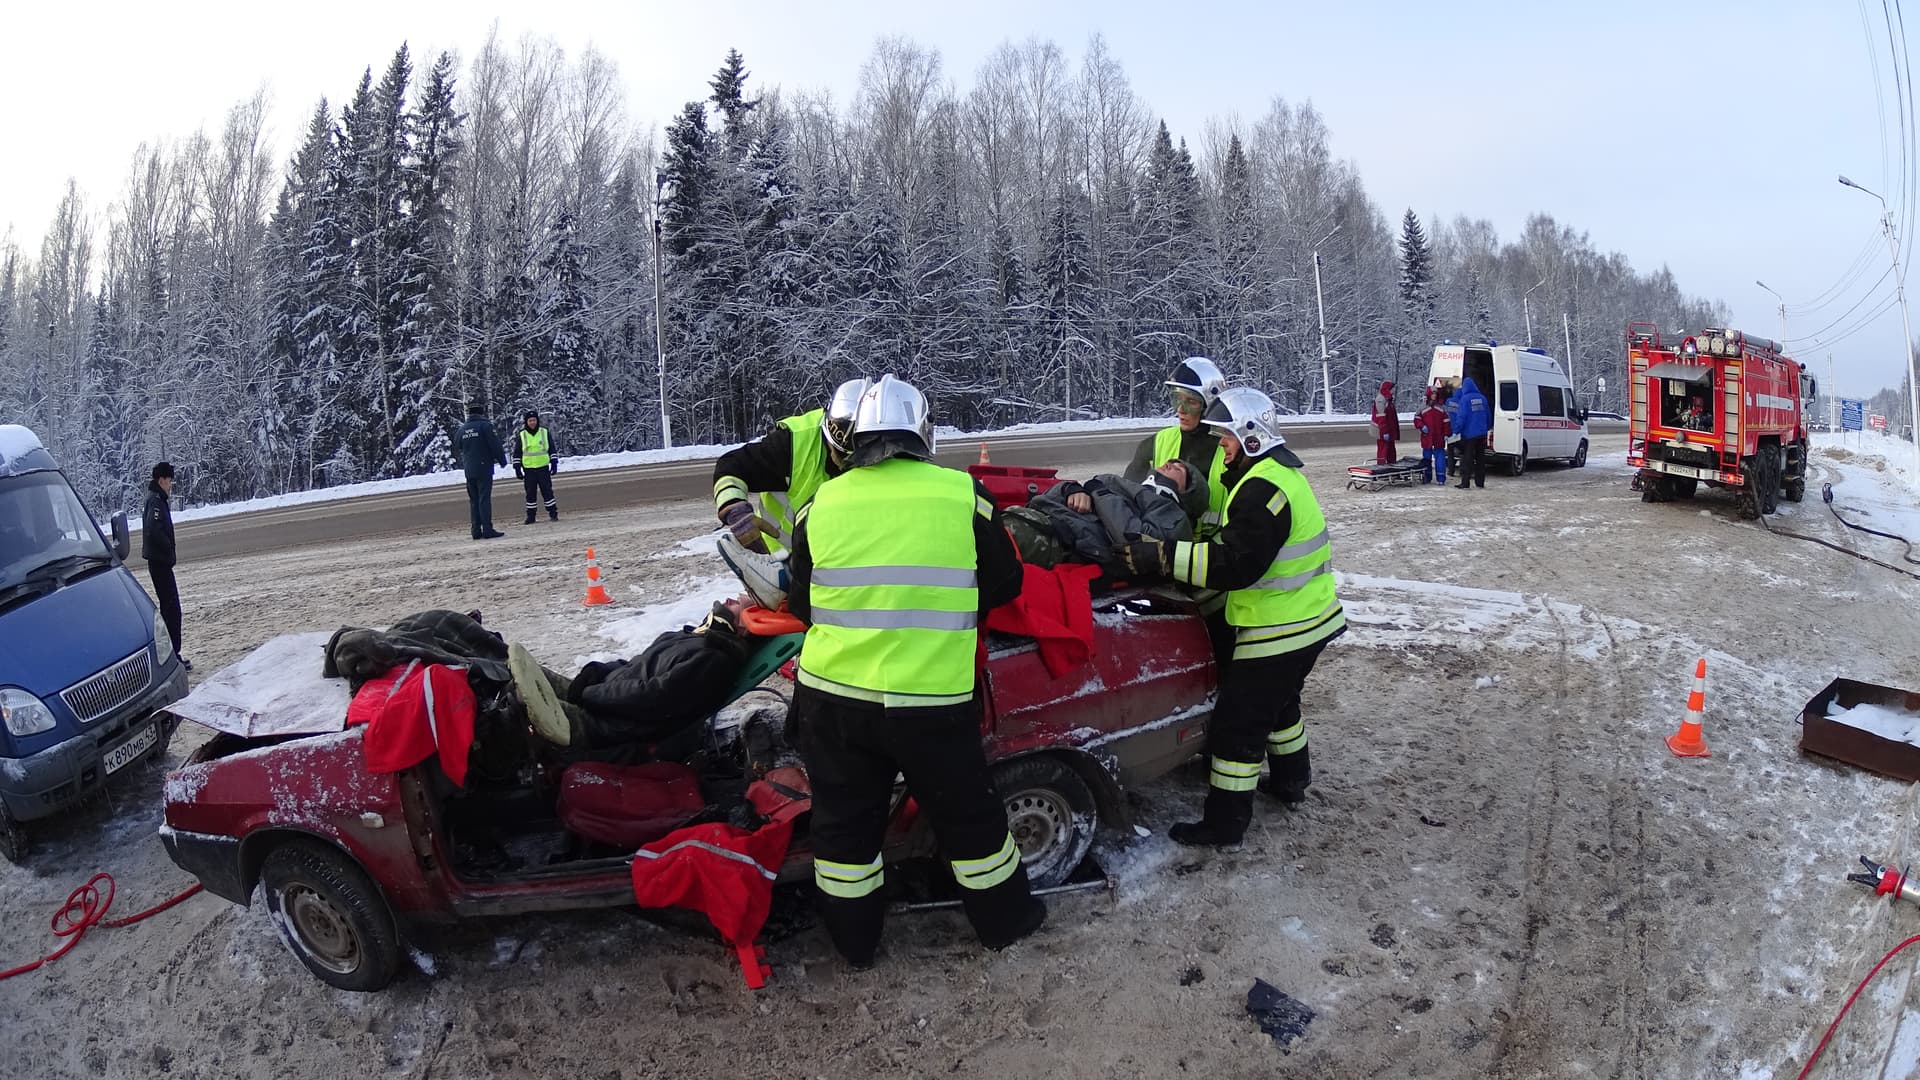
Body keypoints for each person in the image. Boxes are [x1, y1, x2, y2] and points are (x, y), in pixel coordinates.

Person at [786, 373, 1043, 968]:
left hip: (834, 699)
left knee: (844, 830)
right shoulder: (964, 495)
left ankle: (855, 945)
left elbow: (801, 602)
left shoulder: (819, 504)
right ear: (923, 434)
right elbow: (1006, 581)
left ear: (856, 439)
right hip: (931, 700)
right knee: (970, 820)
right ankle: (1006, 923)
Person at [1117, 388, 1345, 846]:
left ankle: (1224, 826)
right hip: (1309, 618)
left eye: (1226, 438)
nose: (1220, 445)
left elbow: (1235, 564)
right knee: (1280, 705)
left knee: (1237, 726)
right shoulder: (1277, 475)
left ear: (1251, 438)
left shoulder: (1261, 491)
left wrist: (1164, 556)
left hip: (1281, 628)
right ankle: (1292, 781)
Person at [712, 378, 870, 554]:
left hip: (848, 556)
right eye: (837, 450)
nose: (841, 461)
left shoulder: (887, 448)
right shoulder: (792, 444)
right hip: (782, 558)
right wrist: (736, 511)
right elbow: (731, 466)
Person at [1011, 461, 1204, 571]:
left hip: (1055, 539)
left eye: (1179, 469)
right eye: (1170, 461)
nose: (1169, 463)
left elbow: (1134, 540)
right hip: (1034, 517)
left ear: (1186, 491)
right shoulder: (1129, 487)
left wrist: (1100, 493)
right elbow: (1046, 498)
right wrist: (1071, 489)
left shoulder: (1172, 513)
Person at [1123, 357, 1230, 533]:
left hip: (1218, 546)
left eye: (1191, 402)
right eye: (1177, 399)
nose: (1180, 410)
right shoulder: (1155, 444)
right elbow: (1127, 497)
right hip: (1164, 542)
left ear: (1210, 406)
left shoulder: (1233, 449)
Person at [143, 462, 189, 671]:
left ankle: (173, 655)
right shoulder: (155, 501)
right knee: (172, 610)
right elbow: (154, 531)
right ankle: (173, 657)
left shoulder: (157, 499)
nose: (170, 485)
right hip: (159, 563)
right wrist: (168, 550)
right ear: (161, 480)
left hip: (160, 562)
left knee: (170, 609)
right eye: (169, 480)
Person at [456, 405, 508, 540]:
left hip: (469, 469)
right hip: (484, 468)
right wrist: (502, 460)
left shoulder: (462, 429)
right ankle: (487, 529)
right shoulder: (485, 426)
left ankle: (475, 530)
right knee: (484, 499)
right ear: (481, 413)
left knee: (474, 500)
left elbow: (458, 445)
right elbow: (495, 444)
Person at [512, 411, 559, 524]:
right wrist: (517, 468)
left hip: (543, 468)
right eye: (530, 421)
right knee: (530, 494)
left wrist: (554, 463)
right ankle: (531, 516)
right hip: (529, 470)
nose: (532, 422)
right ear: (526, 422)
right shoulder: (522, 435)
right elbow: (517, 452)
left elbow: (552, 449)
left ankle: (553, 513)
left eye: (534, 420)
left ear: (537, 421)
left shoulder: (544, 432)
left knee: (547, 492)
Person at [1449, 378, 1493, 490]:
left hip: (1469, 435)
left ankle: (1465, 482)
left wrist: (1456, 431)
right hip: (1482, 434)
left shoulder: (1465, 399)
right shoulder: (1482, 398)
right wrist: (1487, 427)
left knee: (1467, 459)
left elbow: (1461, 417)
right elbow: (1488, 416)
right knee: (1480, 459)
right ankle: (1480, 482)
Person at [1413, 389, 1451, 485]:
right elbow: (1417, 419)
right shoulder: (1422, 407)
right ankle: (1427, 477)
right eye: (1433, 394)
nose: (1434, 396)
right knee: (1427, 459)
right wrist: (1422, 426)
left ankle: (1441, 478)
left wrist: (1446, 434)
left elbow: (1446, 422)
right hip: (1427, 437)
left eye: (1435, 394)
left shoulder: (1442, 407)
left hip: (1439, 436)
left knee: (1440, 458)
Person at [1371, 380, 1401, 465]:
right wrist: (1384, 432)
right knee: (1383, 451)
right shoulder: (1381, 400)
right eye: (1392, 389)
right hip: (1383, 430)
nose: (1393, 391)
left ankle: (1391, 466)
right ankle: (1382, 467)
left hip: (1389, 430)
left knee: (1390, 451)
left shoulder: (1388, 400)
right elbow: (1381, 418)